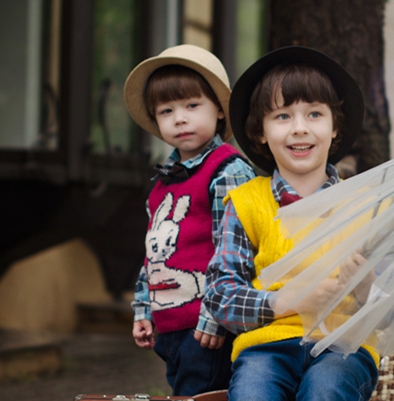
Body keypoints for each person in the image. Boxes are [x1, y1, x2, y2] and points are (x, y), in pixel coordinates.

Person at [201, 46, 379, 401]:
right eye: (283, 117)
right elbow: (220, 293)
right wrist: (287, 301)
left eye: (314, 114)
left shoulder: (364, 206)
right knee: (253, 392)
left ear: (335, 127)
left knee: (325, 389)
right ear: (261, 133)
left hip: (342, 346)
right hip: (266, 347)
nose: (299, 129)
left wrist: (367, 285)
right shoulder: (247, 203)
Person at [123, 44, 255, 396]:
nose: (179, 118)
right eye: (166, 110)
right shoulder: (163, 183)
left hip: (207, 329)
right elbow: (155, 255)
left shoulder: (227, 169)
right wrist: (144, 309)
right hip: (170, 327)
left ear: (219, 111)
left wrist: (216, 317)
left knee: (202, 394)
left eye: (192, 105)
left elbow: (236, 252)